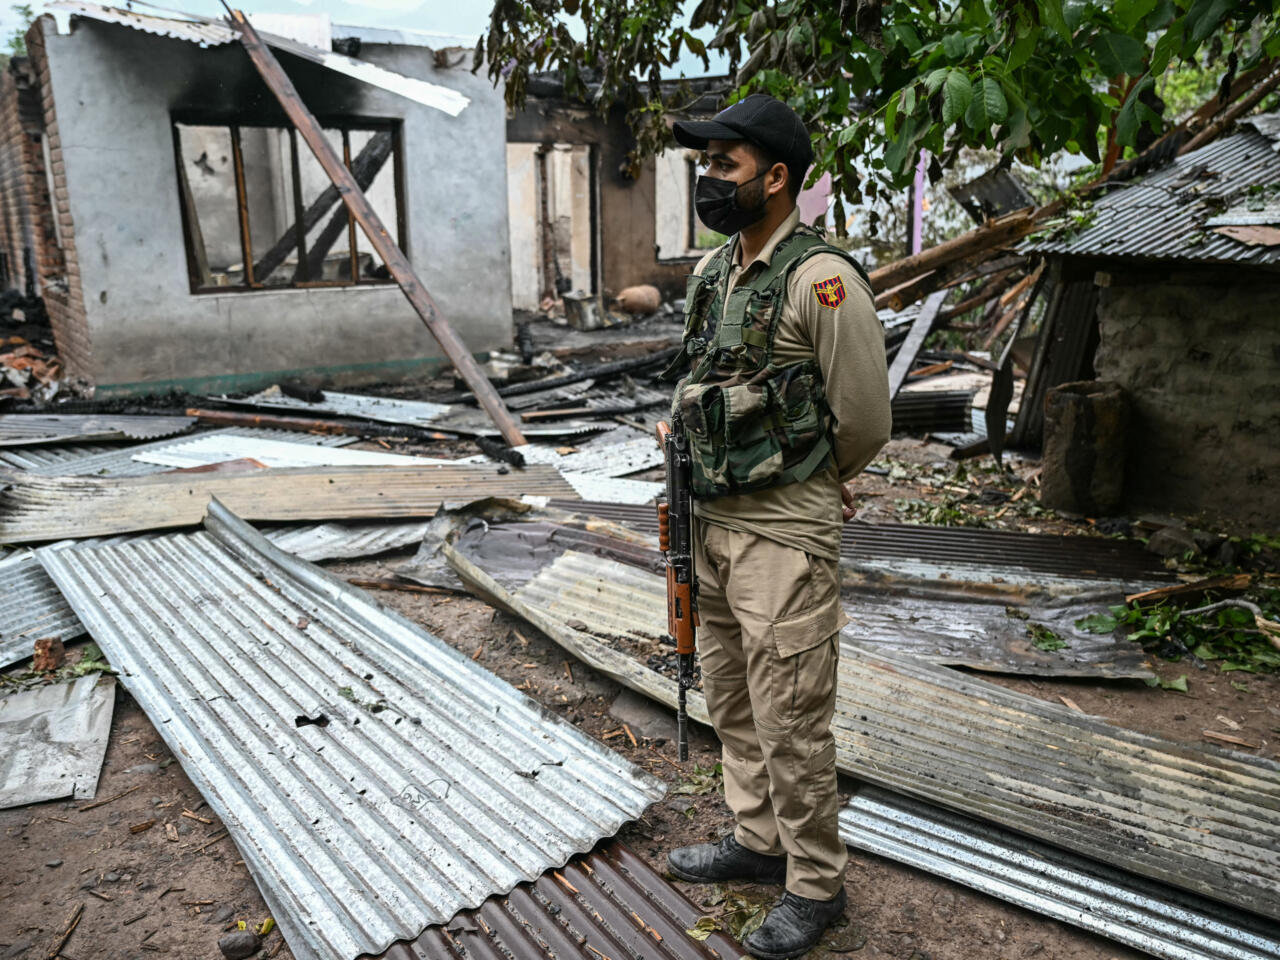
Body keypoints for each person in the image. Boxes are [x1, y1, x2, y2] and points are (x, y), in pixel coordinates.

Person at [661, 94, 892, 960]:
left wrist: (816, 479)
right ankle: (758, 841)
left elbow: (864, 418)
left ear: (777, 177)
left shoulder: (819, 280)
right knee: (731, 697)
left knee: (792, 717)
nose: (709, 179)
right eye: (706, 164)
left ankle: (816, 884)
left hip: (783, 536)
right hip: (710, 521)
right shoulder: (714, 273)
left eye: (725, 164)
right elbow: (701, 377)